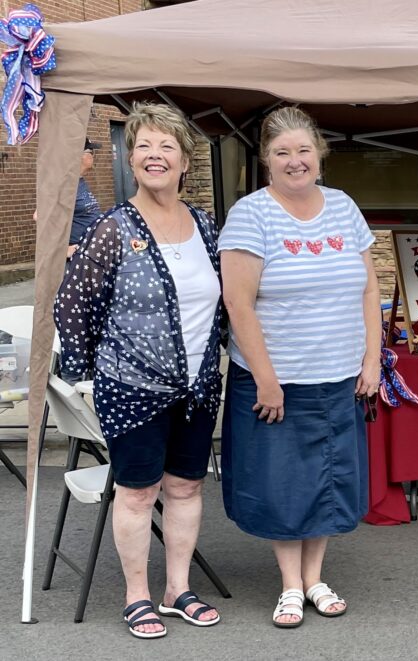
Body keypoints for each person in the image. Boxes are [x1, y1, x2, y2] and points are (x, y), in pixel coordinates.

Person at [55, 103, 223, 639]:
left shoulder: (204, 225)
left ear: (184, 162)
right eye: (144, 146)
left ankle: (178, 588)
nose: (155, 155)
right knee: (136, 492)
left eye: (166, 146)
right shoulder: (112, 228)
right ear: (132, 160)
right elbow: (74, 304)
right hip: (131, 386)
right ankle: (137, 595)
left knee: (187, 488)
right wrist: (82, 376)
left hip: (197, 385)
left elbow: (226, 300)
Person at [219, 106, 381, 629]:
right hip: (277, 383)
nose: (295, 161)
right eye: (283, 152)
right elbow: (238, 305)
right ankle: (290, 584)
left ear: (321, 154)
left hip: (339, 376)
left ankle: (315, 577)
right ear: (266, 159)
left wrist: (373, 358)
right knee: (283, 484)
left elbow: (370, 287)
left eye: (304, 150)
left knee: (327, 481)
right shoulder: (251, 214)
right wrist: (266, 380)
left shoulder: (343, 207)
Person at [67, 138, 103, 258]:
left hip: (90, 252)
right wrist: (63, 249)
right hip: (77, 257)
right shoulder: (65, 184)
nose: (93, 156)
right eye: (91, 152)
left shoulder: (80, 181)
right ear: (79, 155)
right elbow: (40, 216)